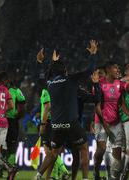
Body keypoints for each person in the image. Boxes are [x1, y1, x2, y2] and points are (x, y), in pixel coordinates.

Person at [34, 40, 98, 180]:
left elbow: (41, 78)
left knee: (53, 153)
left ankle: (38, 175)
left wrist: (40, 63)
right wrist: (93, 54)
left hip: (56, 125)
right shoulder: (71, 80)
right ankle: (85, 179)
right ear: (65, 71)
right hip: (71, 123)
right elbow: (89, 70)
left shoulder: (49, 84)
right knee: (83, 149)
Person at [93, 61, 129, 180]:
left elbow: (122, 103)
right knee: (102, 149)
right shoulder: (100, 84)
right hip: (101, 121)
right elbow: (97, 105)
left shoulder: (120, 83)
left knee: (118, 151)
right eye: (116, 68)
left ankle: (113, 177)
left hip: (116, 121)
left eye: (118, 68)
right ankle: (96, 171)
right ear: (108, 70)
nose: (118, 70)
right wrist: (103, 124)